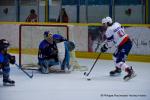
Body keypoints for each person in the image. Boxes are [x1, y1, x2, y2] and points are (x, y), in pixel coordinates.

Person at [100, 16, 136, 81]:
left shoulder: (108, 30)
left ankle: (130, 71)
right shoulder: (117, 23)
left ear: (107, 23)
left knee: (119, 61)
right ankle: (118, 70)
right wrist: (116, 39)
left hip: (125, 45)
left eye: (104, 24)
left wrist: (105, 47)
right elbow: (122, 29)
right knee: (114, 56)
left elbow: (110, 44)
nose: (103, 25)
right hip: (126, 42)